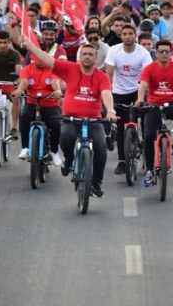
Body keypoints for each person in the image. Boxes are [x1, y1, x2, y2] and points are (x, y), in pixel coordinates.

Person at [20, 35, 116, 198]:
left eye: (90, 54)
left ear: (95, 58)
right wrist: (29, 45)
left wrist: (111, 110)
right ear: (79, 57)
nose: (87, 56)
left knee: (101, 148)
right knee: (66, 136)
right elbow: (48, 60)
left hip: (93, 120)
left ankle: (96, 182)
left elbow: (106, 93)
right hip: (71, 118)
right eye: (84, 54)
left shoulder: (101, 76)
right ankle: (70, 159)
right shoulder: (70, 69)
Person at [136, 40, 173, 187]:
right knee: (148, 136)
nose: (165, 54)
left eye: (167, 51)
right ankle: (149, 170)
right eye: (161, 51)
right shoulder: (149, 68)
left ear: (170, 53)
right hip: (153, 105)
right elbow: (143, 86)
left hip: (171, 104)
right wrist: (140, 100)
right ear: (156, 52)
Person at [105, 23, 153, 176]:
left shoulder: (142, 52)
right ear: (121, 35)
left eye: (130, 34)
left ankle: (147, 153)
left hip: (138, 90)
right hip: (119, 92)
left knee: (146, 122)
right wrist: (108, 94)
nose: (127, 36)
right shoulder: (114, 50)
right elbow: (109, 75)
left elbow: (147, 76)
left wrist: (143, 96)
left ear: (135, 35)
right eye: (124, 34)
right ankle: (122, 160)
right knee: (120, 126)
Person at [12, 60, 63, 167]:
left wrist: (57, 91)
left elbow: (54, 82)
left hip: (50, 103)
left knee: (56, 124)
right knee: (24, 115)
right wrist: (20, 90)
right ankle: (25, 148)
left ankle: (54, 152)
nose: (41, 62)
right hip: (32, 102)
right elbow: (25, 82)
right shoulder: (27, 69)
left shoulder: (52, 68)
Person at [0, 31, 21, 145]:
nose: (2, 45)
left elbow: (18, 70)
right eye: (0, 42)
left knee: (16, 99)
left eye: (5, 42)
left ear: (9, 42)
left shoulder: (15, 54)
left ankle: (14, 127)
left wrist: (17, 81)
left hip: (10, 84)